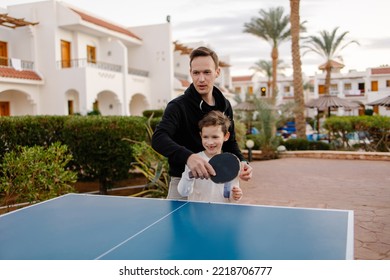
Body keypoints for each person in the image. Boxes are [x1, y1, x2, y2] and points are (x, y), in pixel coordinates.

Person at [151, 46, 252, 199]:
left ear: (217, 72)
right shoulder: (178, 106)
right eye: (196, 73)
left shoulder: (225, 105)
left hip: (216, 183)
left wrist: (243, 163)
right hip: (183, 183)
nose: (201, 79)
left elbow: (230, 142)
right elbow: (158, 138)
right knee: (178, 224)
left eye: (207, 72)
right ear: (190, 72)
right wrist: (188, 157)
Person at [178, 111, 243, 202]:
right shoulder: (194, 160)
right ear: (201, 136)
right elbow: (183, 192)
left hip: (221, 213)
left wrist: (236, 195)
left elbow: (230, 196)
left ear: (226, 136)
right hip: (197, 213)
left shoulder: (231, 162)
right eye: (205, 137)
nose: (210, 142)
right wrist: (189, 175)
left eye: (215, 137)